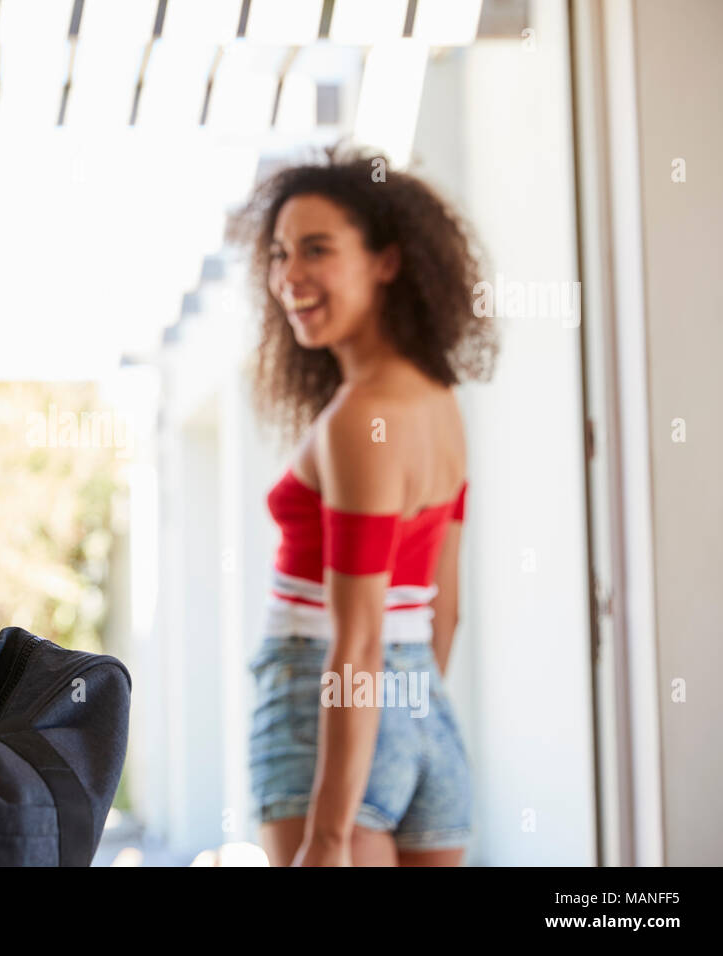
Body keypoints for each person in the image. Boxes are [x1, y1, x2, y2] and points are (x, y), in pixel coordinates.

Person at [232, 148, 498, 866]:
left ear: (387, 261)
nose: (290, 277)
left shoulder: (361, 418)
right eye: (281, 254)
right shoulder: (440, 404)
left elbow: (356, 648)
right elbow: (445, 606)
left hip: (329, 711)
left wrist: (324, 841)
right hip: (426, 713)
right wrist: (410, 717)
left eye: (317, 250)